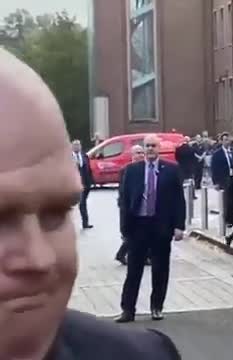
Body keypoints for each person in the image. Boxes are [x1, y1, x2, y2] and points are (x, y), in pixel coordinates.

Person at [0, 48, 180, 360]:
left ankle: (155, 304)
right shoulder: (132, 171)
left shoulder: (143, 356)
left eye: (56, 213)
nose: (39, 259)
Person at [117, 134, 186, 323]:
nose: (150, 149)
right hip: (138, 225)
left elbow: (179, 200)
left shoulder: (171, 170)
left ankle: (156, 306)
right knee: (134, 270)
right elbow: (124, 200)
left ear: (159, 148)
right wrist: (124, 227)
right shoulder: (131, 171)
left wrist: (179, 226)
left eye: (153, 146)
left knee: (160, 268)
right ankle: (128, 310)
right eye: (147, 146)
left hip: (161, 226)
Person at [114, 145, 150, 266]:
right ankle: (122, 254)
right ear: (132, 155)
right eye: (137, 153)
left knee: (143, 232)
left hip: (144, 206)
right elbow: (123, 190)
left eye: (142, 153)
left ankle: (143, 256)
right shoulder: (126, 170)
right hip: (129, 206)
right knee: (132, 233)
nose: (140, 155)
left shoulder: (147, 168)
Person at [72, 139, 94, 229]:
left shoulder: (84, 156)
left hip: (85, 184)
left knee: (83, 203)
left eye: (78, 145)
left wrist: (91, 182)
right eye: (75, 145)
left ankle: (85, 223)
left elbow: (89, 170)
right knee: (79, 203)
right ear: (72, 147)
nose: (77, 147)